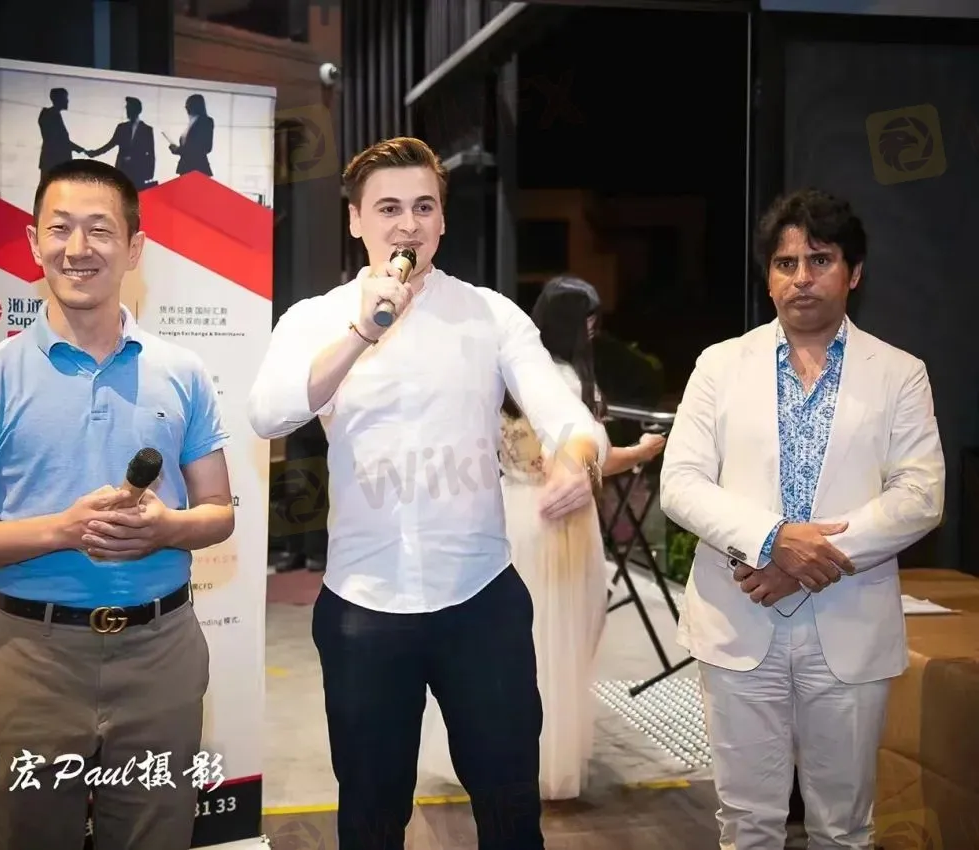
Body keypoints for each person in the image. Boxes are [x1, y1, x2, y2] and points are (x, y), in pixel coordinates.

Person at [247, 137, 607, 850]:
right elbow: (268, 413)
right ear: (356, 221)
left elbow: (566, 416)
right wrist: (362, 331)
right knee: (371, 815)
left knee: (510, 809)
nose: (407, 224)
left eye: (423, 207)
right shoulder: (315, 318)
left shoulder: (489, 315)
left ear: (442, 220)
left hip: (481, 602)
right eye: (388, 208)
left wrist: (577, 460)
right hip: (363, 607)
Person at [0, 159, 234, 850]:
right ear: (34, 242)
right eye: (60, 229)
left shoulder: (183, 373)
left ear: (134, 248)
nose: (78, 248)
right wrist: (62, 529)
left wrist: (165, 529)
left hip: (162, 655)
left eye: (100, 229)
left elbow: (219, 510)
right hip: (31, 660)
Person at [659, 188, 944, 850]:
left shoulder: (899, 374)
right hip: (739, 618)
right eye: (785, 263)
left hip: (848, 623)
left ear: (854, 272)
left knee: (844, 829)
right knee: (747, 825)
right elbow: (681, 483)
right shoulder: (719, 365)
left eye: (820, 260)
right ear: (768, 278)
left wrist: (806, 561)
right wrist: (773, 541)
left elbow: (920, 495)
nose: (801, 278)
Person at [418, 275, 666, 800]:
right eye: (591, 319)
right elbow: (574, 466)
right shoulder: (565, 386)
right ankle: (541, 763)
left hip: (510, 512)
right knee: (558, 646)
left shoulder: (510, 376)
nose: (595, 329)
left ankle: (488, 755)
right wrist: (641, 453)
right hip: (559, 527)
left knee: (509, 647)